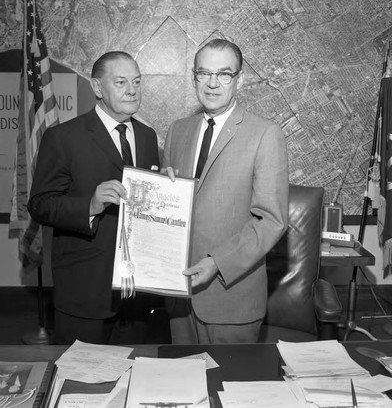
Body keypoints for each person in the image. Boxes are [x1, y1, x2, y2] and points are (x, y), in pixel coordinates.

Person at [28, 51, 160, 344]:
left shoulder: (148, 137)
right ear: (98, 88)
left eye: (137, 82)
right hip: (84, 293)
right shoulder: (64, 137)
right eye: (121, 82)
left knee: (134, 382)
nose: (132, 90)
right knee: (80, 385)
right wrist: (90, 205)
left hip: (137, 296)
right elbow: (40, 204)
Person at [162, 39, 289, 344]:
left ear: (239, 80)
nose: (212, 83)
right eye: (203, 73)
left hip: (231, 299)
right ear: (194, 77)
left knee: (228, 390)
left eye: (224, 74)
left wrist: (217, 263)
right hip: (178, 297)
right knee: (182, 387)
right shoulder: (177, 130)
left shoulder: (265, 134)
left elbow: (272, 221)